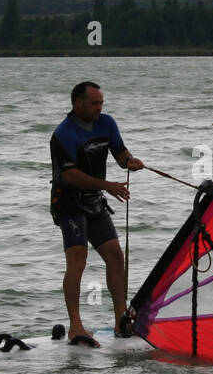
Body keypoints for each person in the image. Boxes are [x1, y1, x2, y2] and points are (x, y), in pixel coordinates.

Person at [50, 81, 143, 346]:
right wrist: (108, 186)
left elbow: (119, 152)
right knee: (77, 261)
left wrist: (129, 161)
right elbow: (70, 175)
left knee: (115, 256)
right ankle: (75, 326)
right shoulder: (63, 133)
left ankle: (120, 320)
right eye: (94, 103)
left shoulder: (107, 123)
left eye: (101, 103)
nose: (99, 108)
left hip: (94, 202)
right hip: (69, 202)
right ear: (77, 103)